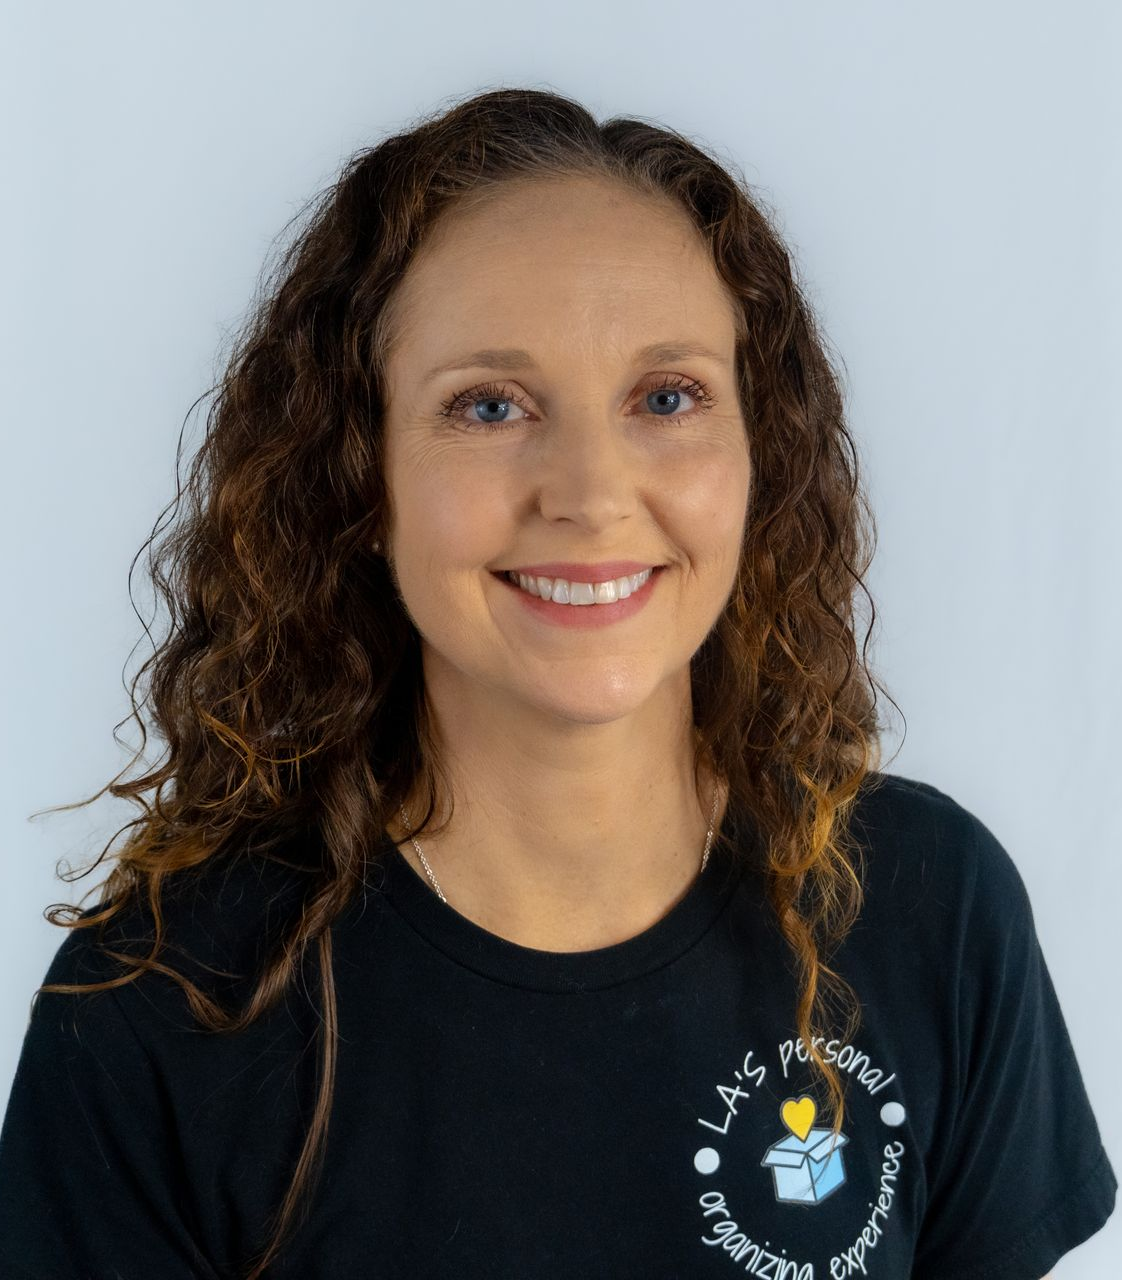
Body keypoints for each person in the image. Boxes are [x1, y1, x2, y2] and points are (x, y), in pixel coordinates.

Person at [0, 87, 1114, 1280]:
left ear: (759, 451)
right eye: (490, 405)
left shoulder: (929, 909)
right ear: (359, 478)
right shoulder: (168, 994)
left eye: (667, 397)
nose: (588, 491)